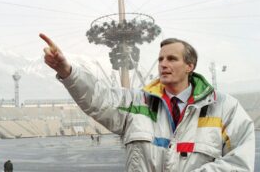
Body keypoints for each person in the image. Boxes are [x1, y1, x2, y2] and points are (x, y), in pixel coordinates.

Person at [40, 33, 255, 172]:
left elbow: (240, 163)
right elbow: (98, 98)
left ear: (190, 66)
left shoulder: (225, 108)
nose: (163, 64)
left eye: (172, 59)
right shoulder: (136, 103)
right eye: (161, 59)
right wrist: (67, 71)